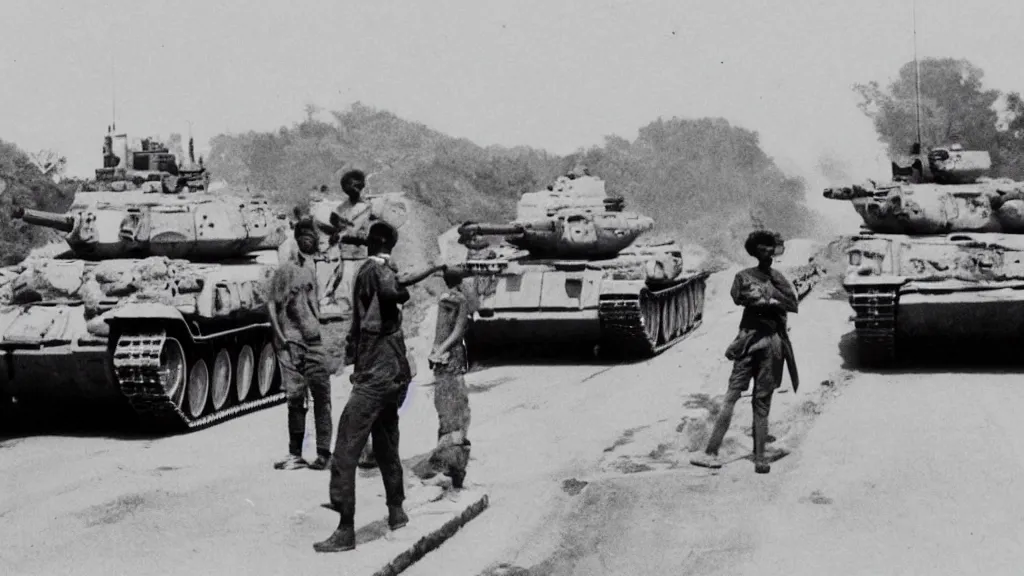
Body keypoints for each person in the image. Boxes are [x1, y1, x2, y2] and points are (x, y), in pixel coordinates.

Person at [313, 222, 440, 553]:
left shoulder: (373, 269)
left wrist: (398, 290)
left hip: (377, 372)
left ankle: (345, 530)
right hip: (394, 368)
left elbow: (391, 291)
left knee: (345, 450)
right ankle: (397, 512)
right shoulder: (386, 268)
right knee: (385, 444)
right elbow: (396, 291)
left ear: (372, 242)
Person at [690, 230, 800, 474]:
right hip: (760, 343)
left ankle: (714, 452)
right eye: (764, 248)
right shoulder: (760, 278)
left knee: (735, 396)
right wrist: (771, 299)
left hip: (757, 342)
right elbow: (760, 300)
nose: (769, 251)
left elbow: (789, 303)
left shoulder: (757, 277)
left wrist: (770, 298)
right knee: (756, 401)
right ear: (755, 251)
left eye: (771, 247)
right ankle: (757, 457)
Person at [267, 218, 334, 471]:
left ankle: (324, 453)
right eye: (303, 234)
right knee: (296, 399)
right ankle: (295, 453)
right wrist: (282, 338)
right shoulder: (285, 270)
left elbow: (314, 305)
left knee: (322, 397)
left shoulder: (311, 270)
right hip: (294, 342)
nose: (309, 238)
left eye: (312, 235)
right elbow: (272, 304)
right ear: (297, 237)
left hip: (314, 342)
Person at [415, 266, 473, 488]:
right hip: (446, 357)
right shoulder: (454, 298)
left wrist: (439, 350)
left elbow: (457, 331)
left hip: (449, 358)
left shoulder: (453, 299)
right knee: (450, 410)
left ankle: (450, 469)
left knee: (451, 412)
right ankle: (453, 469)